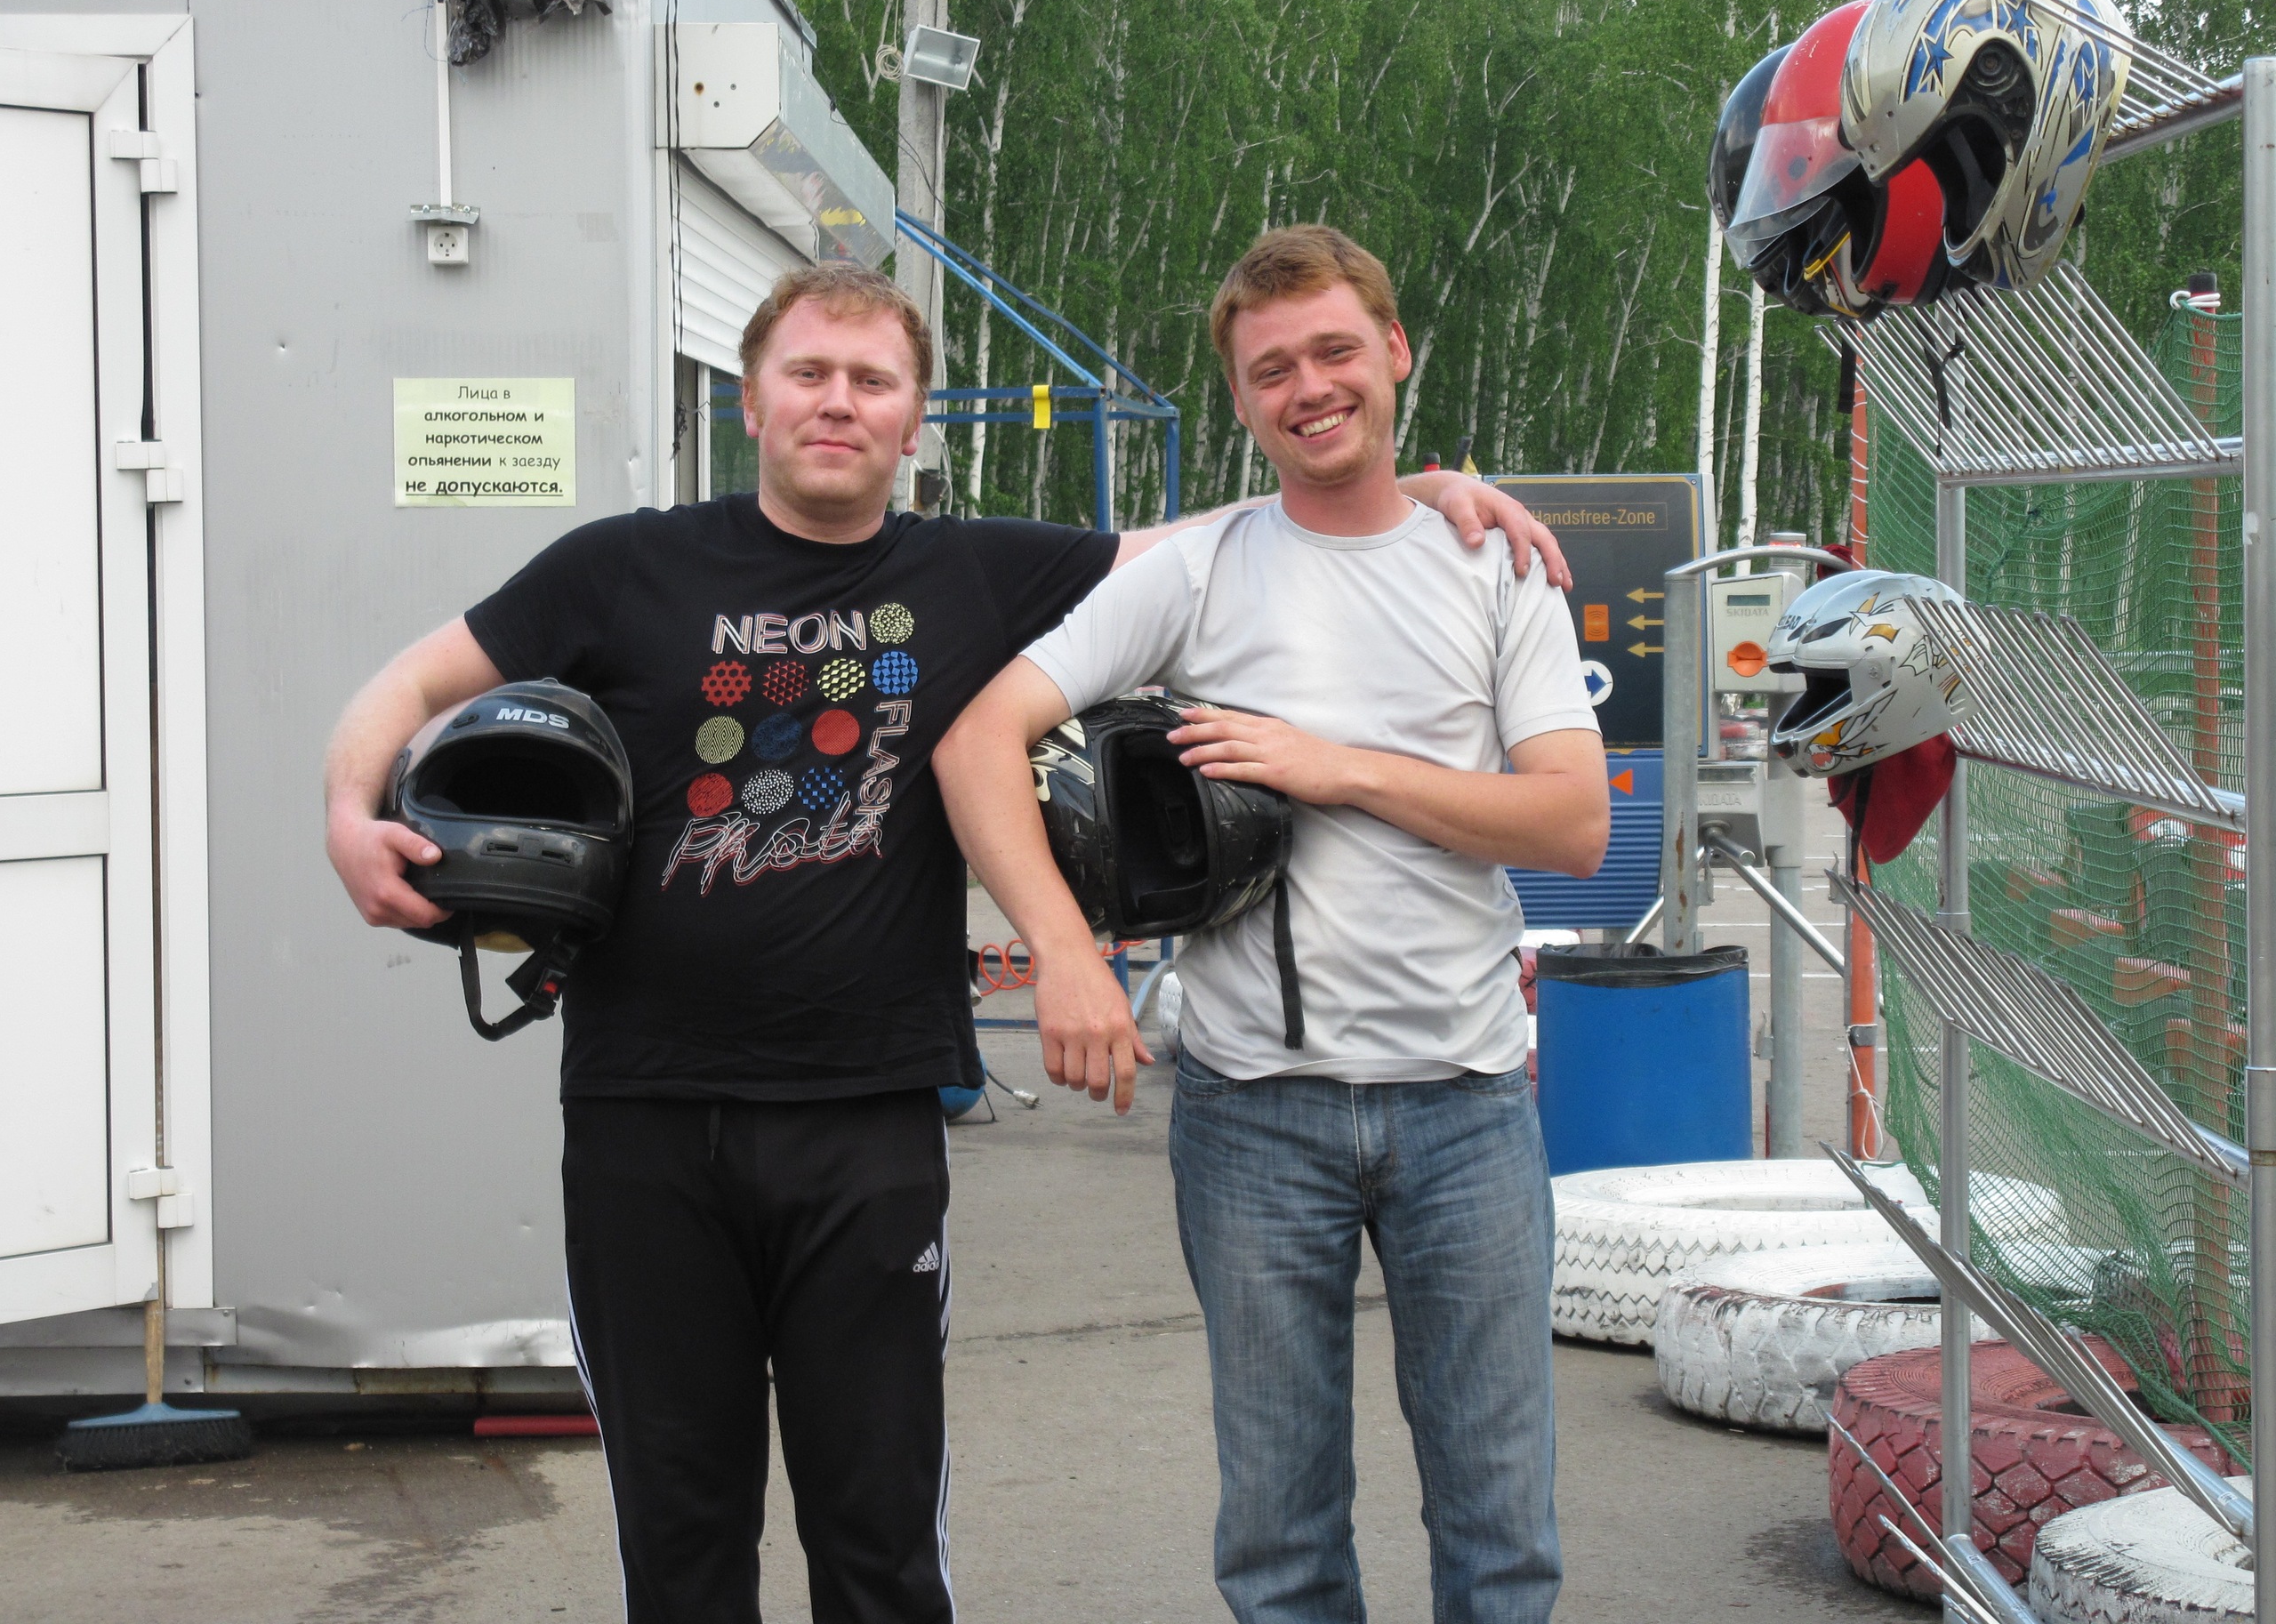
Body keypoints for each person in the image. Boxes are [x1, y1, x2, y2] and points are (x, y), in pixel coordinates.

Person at [321, 260, 1567, 1624]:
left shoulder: (971, 571)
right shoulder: (624, 565)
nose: (838, 403)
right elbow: (415, 680)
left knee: (881, 1551)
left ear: (916, 420)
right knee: (680, 1547)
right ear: (751, 400)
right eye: (808, 374)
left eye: (873, 381)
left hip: (868, 1118)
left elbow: (1259, 518)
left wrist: (1430, 489)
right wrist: (348, 814)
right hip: (644, 1117)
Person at [932, 226, 1609, 1624]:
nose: (1311, 388)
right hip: (1254, 1117)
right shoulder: (1196, 573)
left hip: (1469, 1105)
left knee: (1501, 1531)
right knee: (1282, 1543)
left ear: (1396, 350)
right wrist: (1066, 952)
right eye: (1272, 369)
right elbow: (977, 740)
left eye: (1336, 351)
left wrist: (1334, 768)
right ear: (1240, 400)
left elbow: (1571, 824)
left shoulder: (1493, 565)